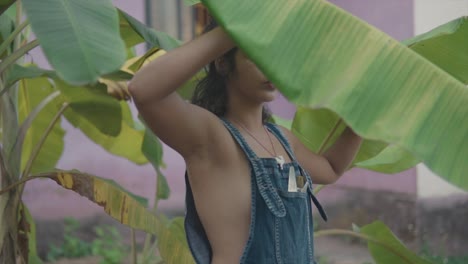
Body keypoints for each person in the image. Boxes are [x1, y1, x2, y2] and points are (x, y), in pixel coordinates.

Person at [129, 18, 363, 264]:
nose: (270, 67)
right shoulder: (211, 136)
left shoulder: (283, 139)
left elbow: (332, 168)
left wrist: (363, 121)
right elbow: (143, 90)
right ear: (222, 62)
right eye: (256, 55)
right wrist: (236, 27)